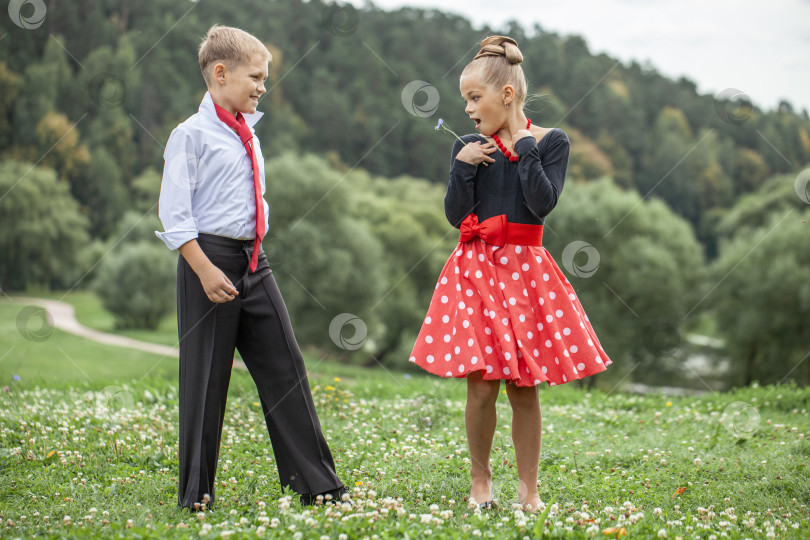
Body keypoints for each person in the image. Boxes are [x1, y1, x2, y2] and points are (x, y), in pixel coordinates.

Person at [409, 35, 612, 512]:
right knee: (481, 386)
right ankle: (480, 483)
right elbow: (456, 215)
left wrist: (524, 148)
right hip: (476, 271)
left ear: (506, 96)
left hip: (526, 274)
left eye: (474, 98)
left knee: (525, 387)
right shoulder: (468, 146)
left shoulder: (551, 142)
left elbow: (543, 203)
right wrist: (461, 168)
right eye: (465, 100)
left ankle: (529, 491)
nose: (467, 109)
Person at [156, 25, 345, 510]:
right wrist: (202, 269)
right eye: (256, 77)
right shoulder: (189, 136)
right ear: (221, 73)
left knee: (287, 368)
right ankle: (195, 496)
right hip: (208, 262)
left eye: (265, 78)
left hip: (254, 262)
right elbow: (175, 217)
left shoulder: (248, 133)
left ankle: (319, 487)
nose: (263, 86)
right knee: (206, 378)